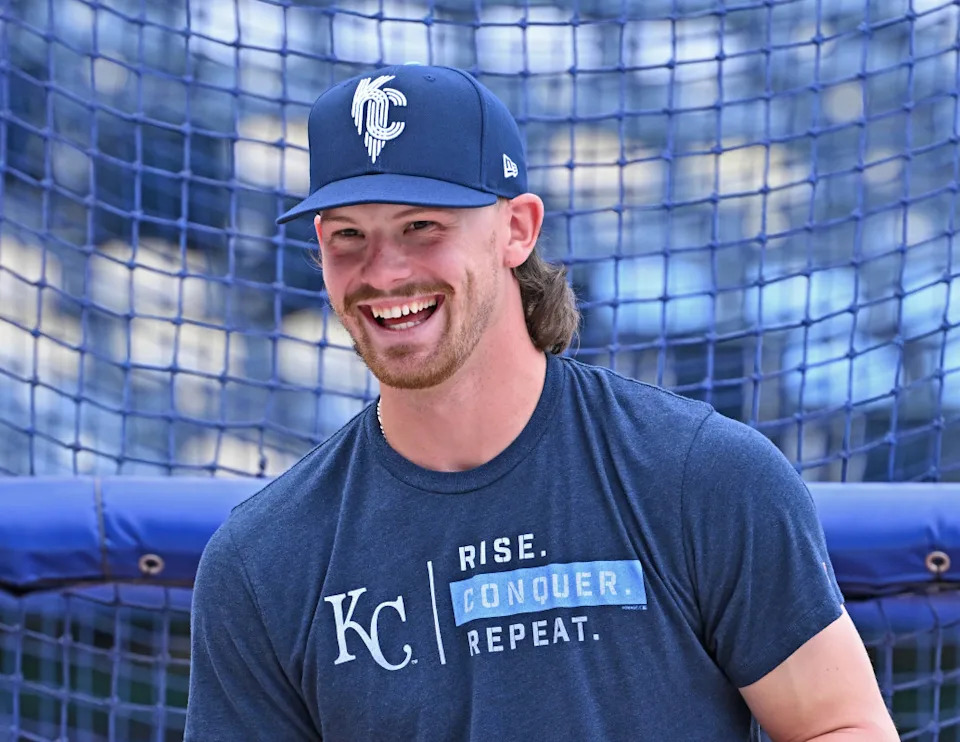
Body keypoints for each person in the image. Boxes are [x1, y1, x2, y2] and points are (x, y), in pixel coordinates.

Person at [184, 64, 898, 741]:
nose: (385, 272)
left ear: (517, 229)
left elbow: (843, 724)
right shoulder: (262, 559)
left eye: (421, 226)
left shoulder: (700, 476)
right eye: (349, 236)